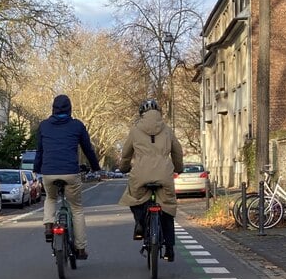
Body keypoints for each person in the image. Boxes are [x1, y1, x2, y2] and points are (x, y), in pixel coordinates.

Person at [34, 94, 102, 260]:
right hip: (70, 172)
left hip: (48, 172)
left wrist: (37, 169)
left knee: (50, 198)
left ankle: (49, 225)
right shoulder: (77, 126)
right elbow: (88, 149)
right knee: (76, 208)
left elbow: (40, 151)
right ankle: (80, 249)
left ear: (53, 108)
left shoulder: (43, 126)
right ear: (70, 108)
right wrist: (95, 168)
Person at [117, 99, 185, 261]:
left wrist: (124, 168)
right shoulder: (167, 130)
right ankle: (169, 248)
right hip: (164, 174)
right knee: (167, 207)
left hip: (141, 174)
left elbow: (126, 154)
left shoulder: (135, 130)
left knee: (133, 197)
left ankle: (140, 223)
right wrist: (178, 168)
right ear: (159, 113)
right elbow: (177, 152)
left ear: (142, 114)